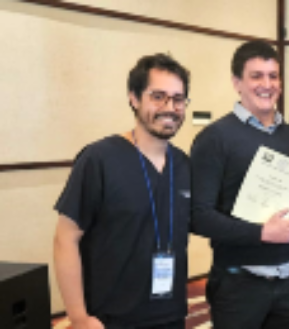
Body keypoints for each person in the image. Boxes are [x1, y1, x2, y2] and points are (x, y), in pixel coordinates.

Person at [53, 54, 191, 329]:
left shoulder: (184, 164)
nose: (170, 107)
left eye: (178, 99)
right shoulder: (99, 159)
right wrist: (79, 317)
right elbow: (65, 239)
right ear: (134, 98)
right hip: (111, 318)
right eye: (158, 96)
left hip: (171, 314)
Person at [189, 40, 289, 329]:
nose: (267, 84)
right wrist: (262, 233)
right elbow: (197, 216)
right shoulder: (214, 138)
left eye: (273, 76)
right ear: (237, 83)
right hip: (238, 284)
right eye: (256, 76)